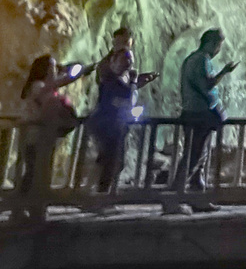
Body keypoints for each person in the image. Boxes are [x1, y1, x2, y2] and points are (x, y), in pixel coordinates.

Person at [14, 53, 91, 218]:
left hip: (43, 137)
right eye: (52, 67)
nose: (55, 69)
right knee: (34, 173)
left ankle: (32, 208)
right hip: (35, 137)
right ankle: (25, 208)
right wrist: (69, 77)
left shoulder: (44, 86)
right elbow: (47, 90)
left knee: (37, 173)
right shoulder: (37, 86)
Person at [169, 29, 238, 211]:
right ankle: (174, 199)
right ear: (211, 43)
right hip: (198, 114)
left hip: (192, 113)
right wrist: (224, 71)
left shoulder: (191, 59)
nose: (218, 50)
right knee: (194, 157)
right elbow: (206, 84)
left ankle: (197, 198)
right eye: (218, 45)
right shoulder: (201, 60)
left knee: (200, 157)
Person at [88, 28, 158, 195]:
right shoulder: (108, 73)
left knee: (113, 160)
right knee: (110, 160)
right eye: (125, 60)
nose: (128, 63)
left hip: (116, 123)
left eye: (130, 60)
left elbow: (126, 94)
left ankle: (100, 194)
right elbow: (125, 97)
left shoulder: (121, 74)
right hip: (108, 123)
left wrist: (139, 81)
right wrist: (134, 82)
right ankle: (99, 196)